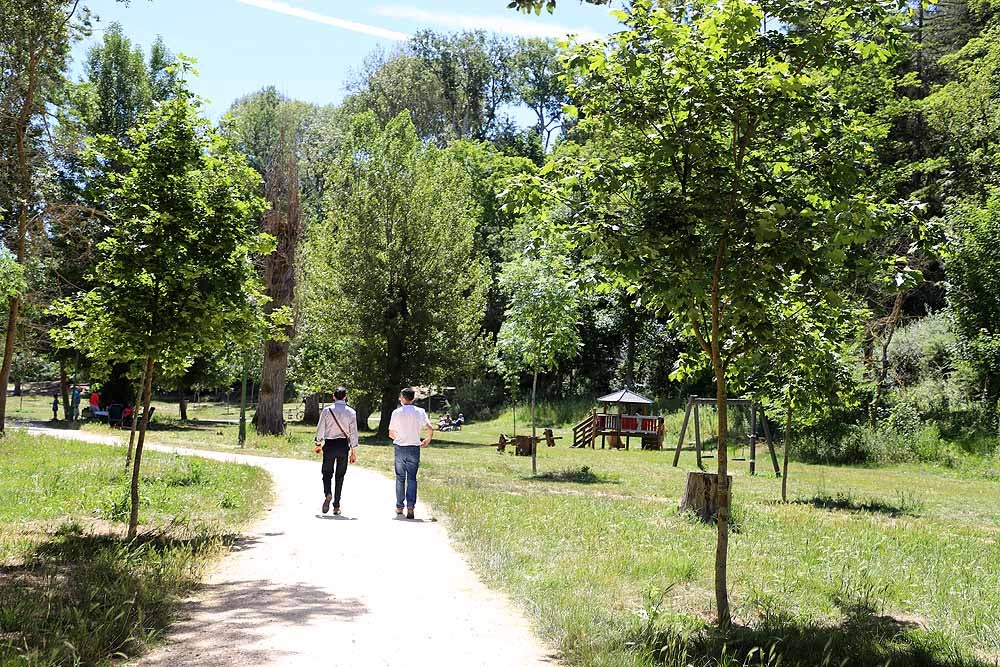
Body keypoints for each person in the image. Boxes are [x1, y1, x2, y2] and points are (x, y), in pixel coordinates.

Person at [388, 387, 434, 519]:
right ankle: (411, 506)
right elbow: (430, 428)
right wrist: (427, 439)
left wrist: (398, 438)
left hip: (400, 447)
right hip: (414, 447)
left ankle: (399, 506)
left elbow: (391, 433)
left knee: (400, 478)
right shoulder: (420, 412)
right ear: (413, 398)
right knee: (412, 478)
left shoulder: (396, 412)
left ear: (402, 398)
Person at [313, 386, 359, 515]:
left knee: (326, 473)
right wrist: (354, 452)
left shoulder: (327, 411)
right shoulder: (351, 412)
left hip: (330, 444)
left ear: (333, 396)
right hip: (343, 446)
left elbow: (321, 428)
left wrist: (318, 443)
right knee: (340, 476)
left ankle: (328, 493)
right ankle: (337, 505)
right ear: (345, 397)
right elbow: (353, 433)